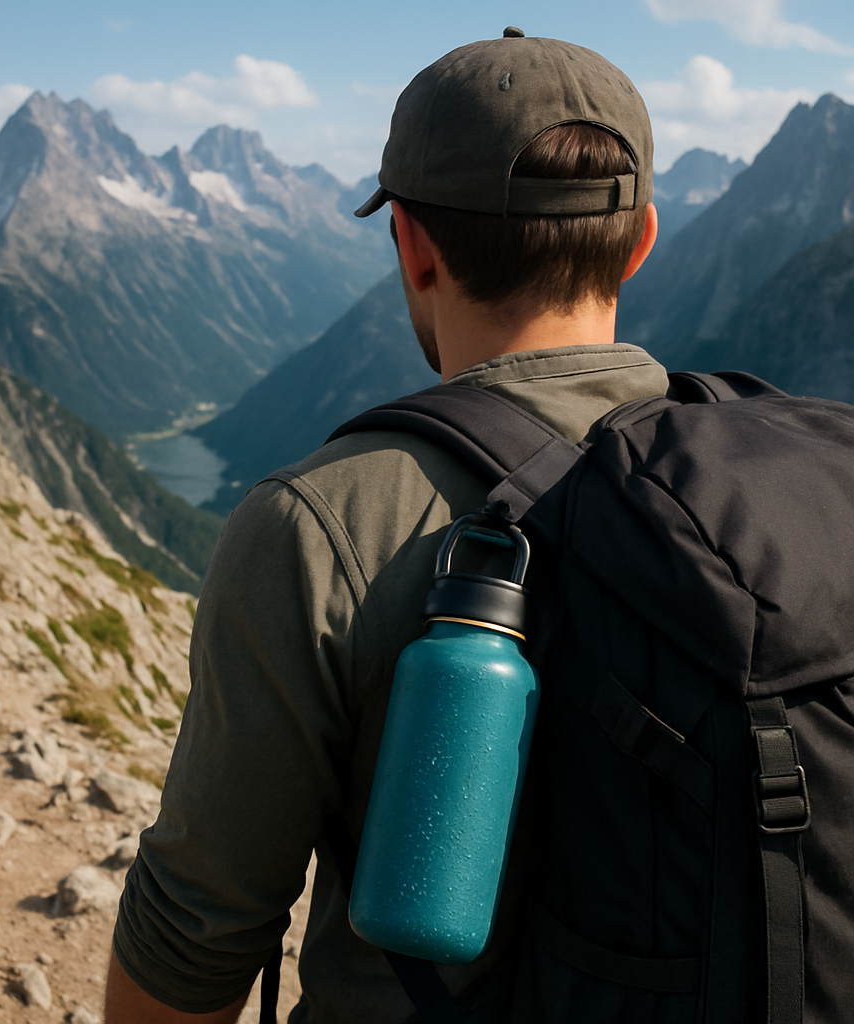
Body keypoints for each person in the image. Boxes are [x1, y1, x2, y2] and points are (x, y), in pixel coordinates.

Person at [106, 28, 664, 1023]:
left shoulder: (320, 523)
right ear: (642, 239)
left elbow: (195, 938)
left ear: (410, 246)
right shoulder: (776, 500)